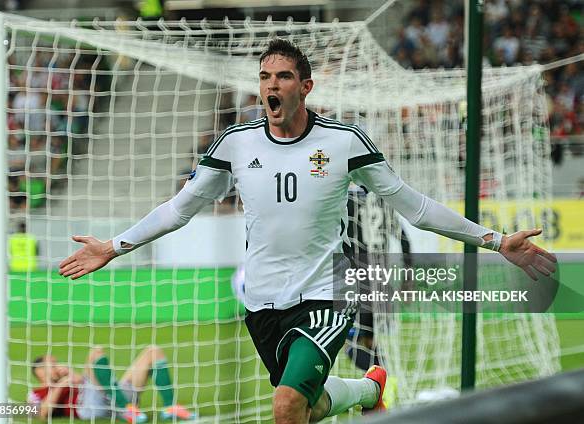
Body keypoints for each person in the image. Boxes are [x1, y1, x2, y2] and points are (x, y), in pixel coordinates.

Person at [59, 39, 556, 423]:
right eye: (264, 77)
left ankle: (364, 388)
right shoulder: (234, 143)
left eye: (283, 76)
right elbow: (180, 208)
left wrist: (493, 240)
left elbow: (414, 206)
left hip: (325, 296)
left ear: (305, 86)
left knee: (285, 405)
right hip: (261, 305)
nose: (271, 86)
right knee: (308, 408)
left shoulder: (344, 143)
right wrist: (114, 246)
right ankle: (368, 389)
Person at [28, 346, 194, 422]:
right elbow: (42, 413)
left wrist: (70, 374)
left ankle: (170, 407)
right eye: (53, 363)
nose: (58, 365)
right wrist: (61, 384)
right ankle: (125, 409)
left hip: (110, 394)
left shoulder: (68, 376)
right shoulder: (35, 393)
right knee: (95, 353)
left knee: (153, 351)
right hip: (90, 406)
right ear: (41, 371)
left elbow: (84, 381)